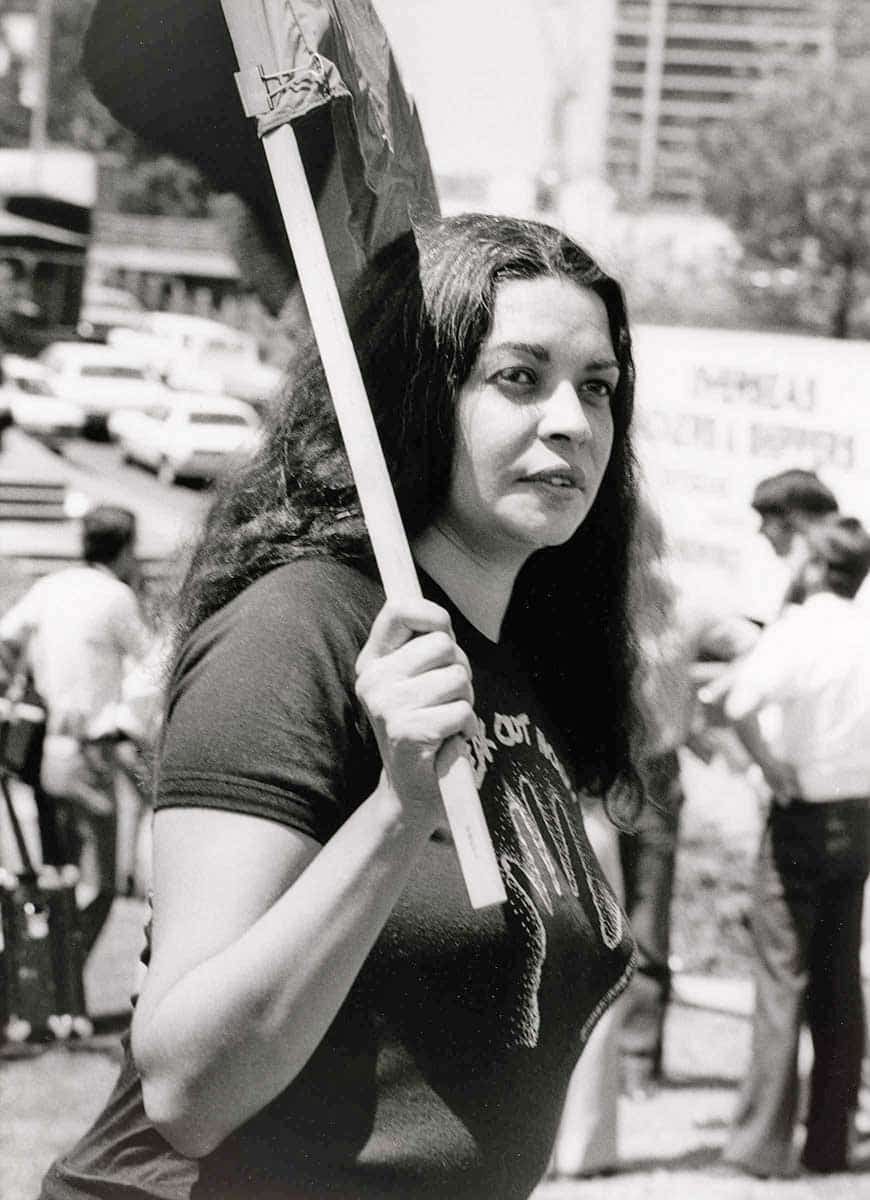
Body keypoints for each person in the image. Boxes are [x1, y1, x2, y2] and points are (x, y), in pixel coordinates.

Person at [40, 213, 641, 1200]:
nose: (573, 421)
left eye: (599, 386)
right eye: (519, 378)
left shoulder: (522, 664)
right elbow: (186, 1087)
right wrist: (398, 809)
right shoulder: (299, 633)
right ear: (419, 397)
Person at [704, 513, 870, 1178]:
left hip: (801, 814)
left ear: (811, 568)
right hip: (859, 815)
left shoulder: (801, 632)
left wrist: (771, 769)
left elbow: (735, 704)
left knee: (782, 977)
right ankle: (830, 1140)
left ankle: (760, 1147)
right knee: (839, 978)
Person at [617, 505, 759, 1100]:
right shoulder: (582, 597)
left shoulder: (685, 606)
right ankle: (587, 1070)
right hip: (587, 770)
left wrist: (705, 708)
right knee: (576, 912)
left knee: (647, 922)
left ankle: (636, 1065)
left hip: (653, 772)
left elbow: (754, 644)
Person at [0, 505, 151, 958]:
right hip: (92, 752)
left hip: (48, 751)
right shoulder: (115, 597)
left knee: (59, 875)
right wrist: (125, 722)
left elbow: (6, 639)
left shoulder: (52, 588)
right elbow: (156, 664)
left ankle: (42, 976)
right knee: (100, 883)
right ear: (126, 548)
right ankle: (58, 971)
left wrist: (15, 691)